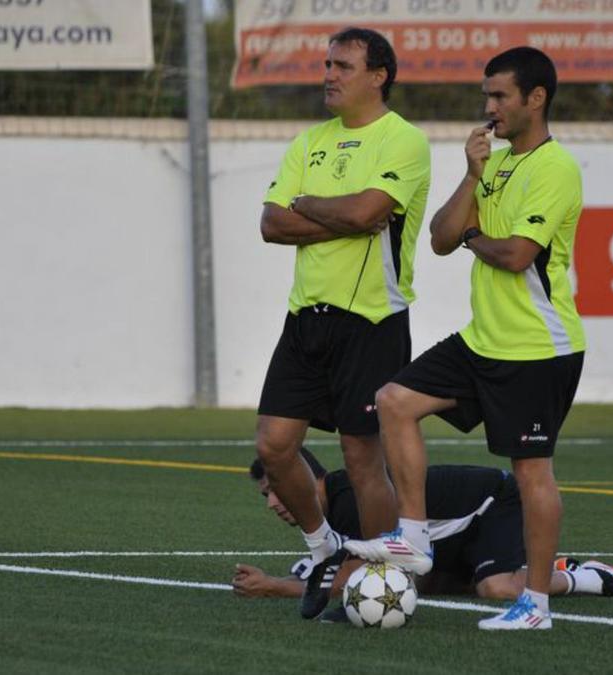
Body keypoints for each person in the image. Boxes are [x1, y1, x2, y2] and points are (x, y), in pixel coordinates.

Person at [344, 46, 586, 630]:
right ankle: (415, 540)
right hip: (483, 341)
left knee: (531, 474)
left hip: (536, 349)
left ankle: (537, 605)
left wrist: (475, 234)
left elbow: (515, 255)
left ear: (536, 98)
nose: (489, 108)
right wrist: (473, 175)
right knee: (394, 401)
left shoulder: (557, 169)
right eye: (486, 96)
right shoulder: (496, 164)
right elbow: (440, 238)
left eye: (500, 96)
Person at [254, 26, 431, 620]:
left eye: (343, 66)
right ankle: (324, 546)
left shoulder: (403, 141)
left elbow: (368, 212)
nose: (329, 75)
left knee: (361, 460)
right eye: (327, 64)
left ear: (378, 75)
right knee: (276, 447)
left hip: (371, 320)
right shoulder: (308, 142)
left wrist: (312, 206)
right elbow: (272, 224)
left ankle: (377, 579)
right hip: (306, 317)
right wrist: (334, 214)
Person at [233, 448, 613, 622]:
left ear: (306, 478)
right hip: (448, 534)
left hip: (492, 503)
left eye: (275, 491)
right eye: (265, 496)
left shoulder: (349, 499)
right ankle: (538, 568)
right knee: (422, 584)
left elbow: (347, 580)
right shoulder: (333, 504)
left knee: (497, 589)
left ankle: (591, 576)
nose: (273, 504)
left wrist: (275, 587)